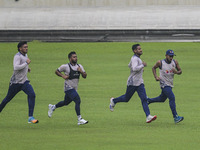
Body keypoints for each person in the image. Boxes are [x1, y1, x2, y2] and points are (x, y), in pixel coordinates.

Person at [110, 44, 157, 123]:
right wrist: (142, 65)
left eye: (140, 48)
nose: (141, 50)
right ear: (134, 51)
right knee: (126, 98)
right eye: (139, 49)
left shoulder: (135, 58)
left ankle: (148, 116)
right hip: (133, 82)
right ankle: (114, 101)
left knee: (144, 99)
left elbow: (129, 65)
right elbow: (134, 68)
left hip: (139, 83)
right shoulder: (135, 58)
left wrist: (140, 69)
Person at [0, 41, 38, 124]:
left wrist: (27, 68)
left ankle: (30, 117)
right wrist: (26, 64)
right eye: (25, 47)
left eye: (27, 47)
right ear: (20, 48)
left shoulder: (25, 55)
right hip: (16, 83)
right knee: (7, 100)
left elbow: (22, 65)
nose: (26, 48)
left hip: (24, 82)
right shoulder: (17, 56)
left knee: (32, 94)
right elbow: (16, 67)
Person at [48, 51, 88, 125]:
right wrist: (63, 76)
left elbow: (85, 76)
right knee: (77, 100)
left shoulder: (79, 66)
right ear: (70, 58)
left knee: (65, 102)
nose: (76, 58)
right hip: (68, 88)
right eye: (74, 57)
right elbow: (56, 71)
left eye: (76, 57)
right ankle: (79, 119)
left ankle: (53, 107)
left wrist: (81, 71)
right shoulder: (65, 66)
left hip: (74, 88)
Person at [147, 49, 184, 124]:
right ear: (166, 56)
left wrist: (176, 72)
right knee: (172, 97)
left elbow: (180, 71)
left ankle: (148, 100)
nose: (171, 57)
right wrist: (156, 77)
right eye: (170, 56)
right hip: (164, 84)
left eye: (172, 56)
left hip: (170, 84)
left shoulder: (175, 62)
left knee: (162, 99)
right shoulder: (160, 63)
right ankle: (175, 117)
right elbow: (153, 68)